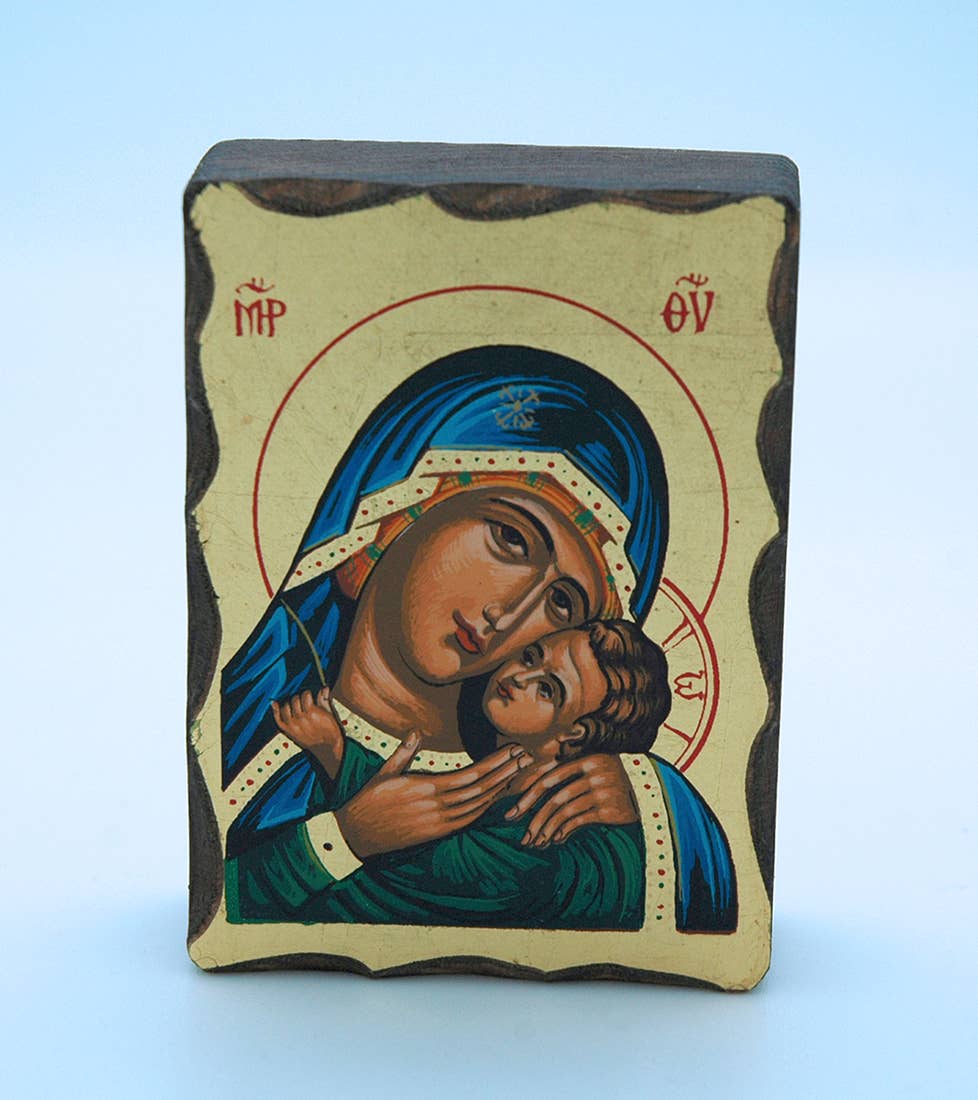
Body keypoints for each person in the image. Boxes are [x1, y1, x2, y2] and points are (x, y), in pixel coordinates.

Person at [222, 346, 736, 933]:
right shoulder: (246, 724)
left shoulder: (559, 812)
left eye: (562, 603)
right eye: (511, 539)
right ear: (398, 509)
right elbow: (222, 912)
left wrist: (652, 792)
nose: (508, 614)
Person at [229, 619, 671, 927]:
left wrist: (338, 768)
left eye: (547, 689)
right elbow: (423, 811)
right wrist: (337, 753)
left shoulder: (542, 841)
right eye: (531, 656)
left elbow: (412, 868)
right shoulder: (510, 789)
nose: (519, 677)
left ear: (575, 733)